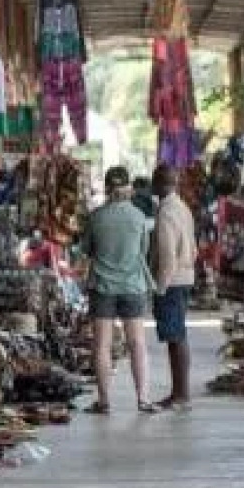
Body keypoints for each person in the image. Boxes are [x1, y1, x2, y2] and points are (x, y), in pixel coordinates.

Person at [79, 166, 152, 414]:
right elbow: (143, 251)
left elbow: (87, 250)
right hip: (132, 285)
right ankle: (142, 398)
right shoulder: (139, 217)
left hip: (102, 286)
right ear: (128, 188)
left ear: (108, 188)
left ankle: (104, 401)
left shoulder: (96, 217)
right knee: (137, 343)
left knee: (102, 345)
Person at [147, 164, 197, 412]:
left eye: (153, 181)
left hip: (172, 281)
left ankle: (180, 394)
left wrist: (159, 288)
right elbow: (194, 248)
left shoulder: (166, 213)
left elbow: (167, 257)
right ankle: (180, 393)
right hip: (185, 277)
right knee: (178, 336)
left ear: (159, 184)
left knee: (175, 337)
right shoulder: (183, 208)